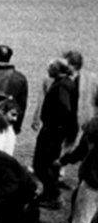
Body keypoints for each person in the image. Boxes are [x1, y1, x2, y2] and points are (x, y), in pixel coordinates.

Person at [58, 85, 98, 223]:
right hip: (92, 183)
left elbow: (80, 151)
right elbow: (82, 150)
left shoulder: (93, 125)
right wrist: (65, 160)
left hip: (91, 181)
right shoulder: (94, 126)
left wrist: (65, 160)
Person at [31, 58, 79, 209]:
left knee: (41, 164)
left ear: (57, 70)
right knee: (48, 163)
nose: (48, 70)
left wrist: (54, 125)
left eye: (50, 67)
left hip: (52, 131)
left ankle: (53, 195)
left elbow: (64, 108)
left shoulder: (61, 86)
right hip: (57, 131)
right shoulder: (67, 83)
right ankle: (49, 193)